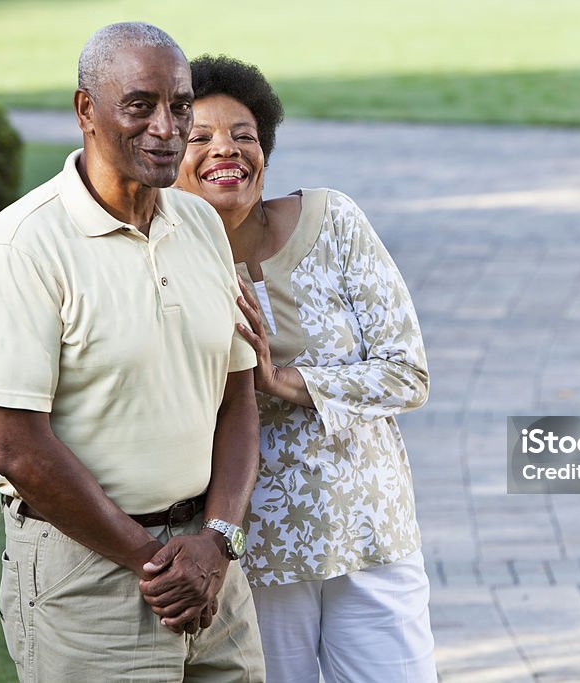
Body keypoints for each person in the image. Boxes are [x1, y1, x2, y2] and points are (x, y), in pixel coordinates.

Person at [0, 24, 265, 682]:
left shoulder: (202, 223)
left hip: (213, 574)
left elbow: (238, 399)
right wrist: (153, 561)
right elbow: (17, 450)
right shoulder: (22, 247)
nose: (166, 127)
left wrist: (217, 542)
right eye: (140, 104)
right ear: (85, 110)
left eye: (179, 105)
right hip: (89, 582)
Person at [174, 54, 437, 682]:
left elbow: (407, 372)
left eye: (244, 136)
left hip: (370, 531)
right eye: (200, 138)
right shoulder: (167, 260)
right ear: (167, 159)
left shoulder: (334, 221)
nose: (226, 151)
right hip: (256, 547)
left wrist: (286, 382)